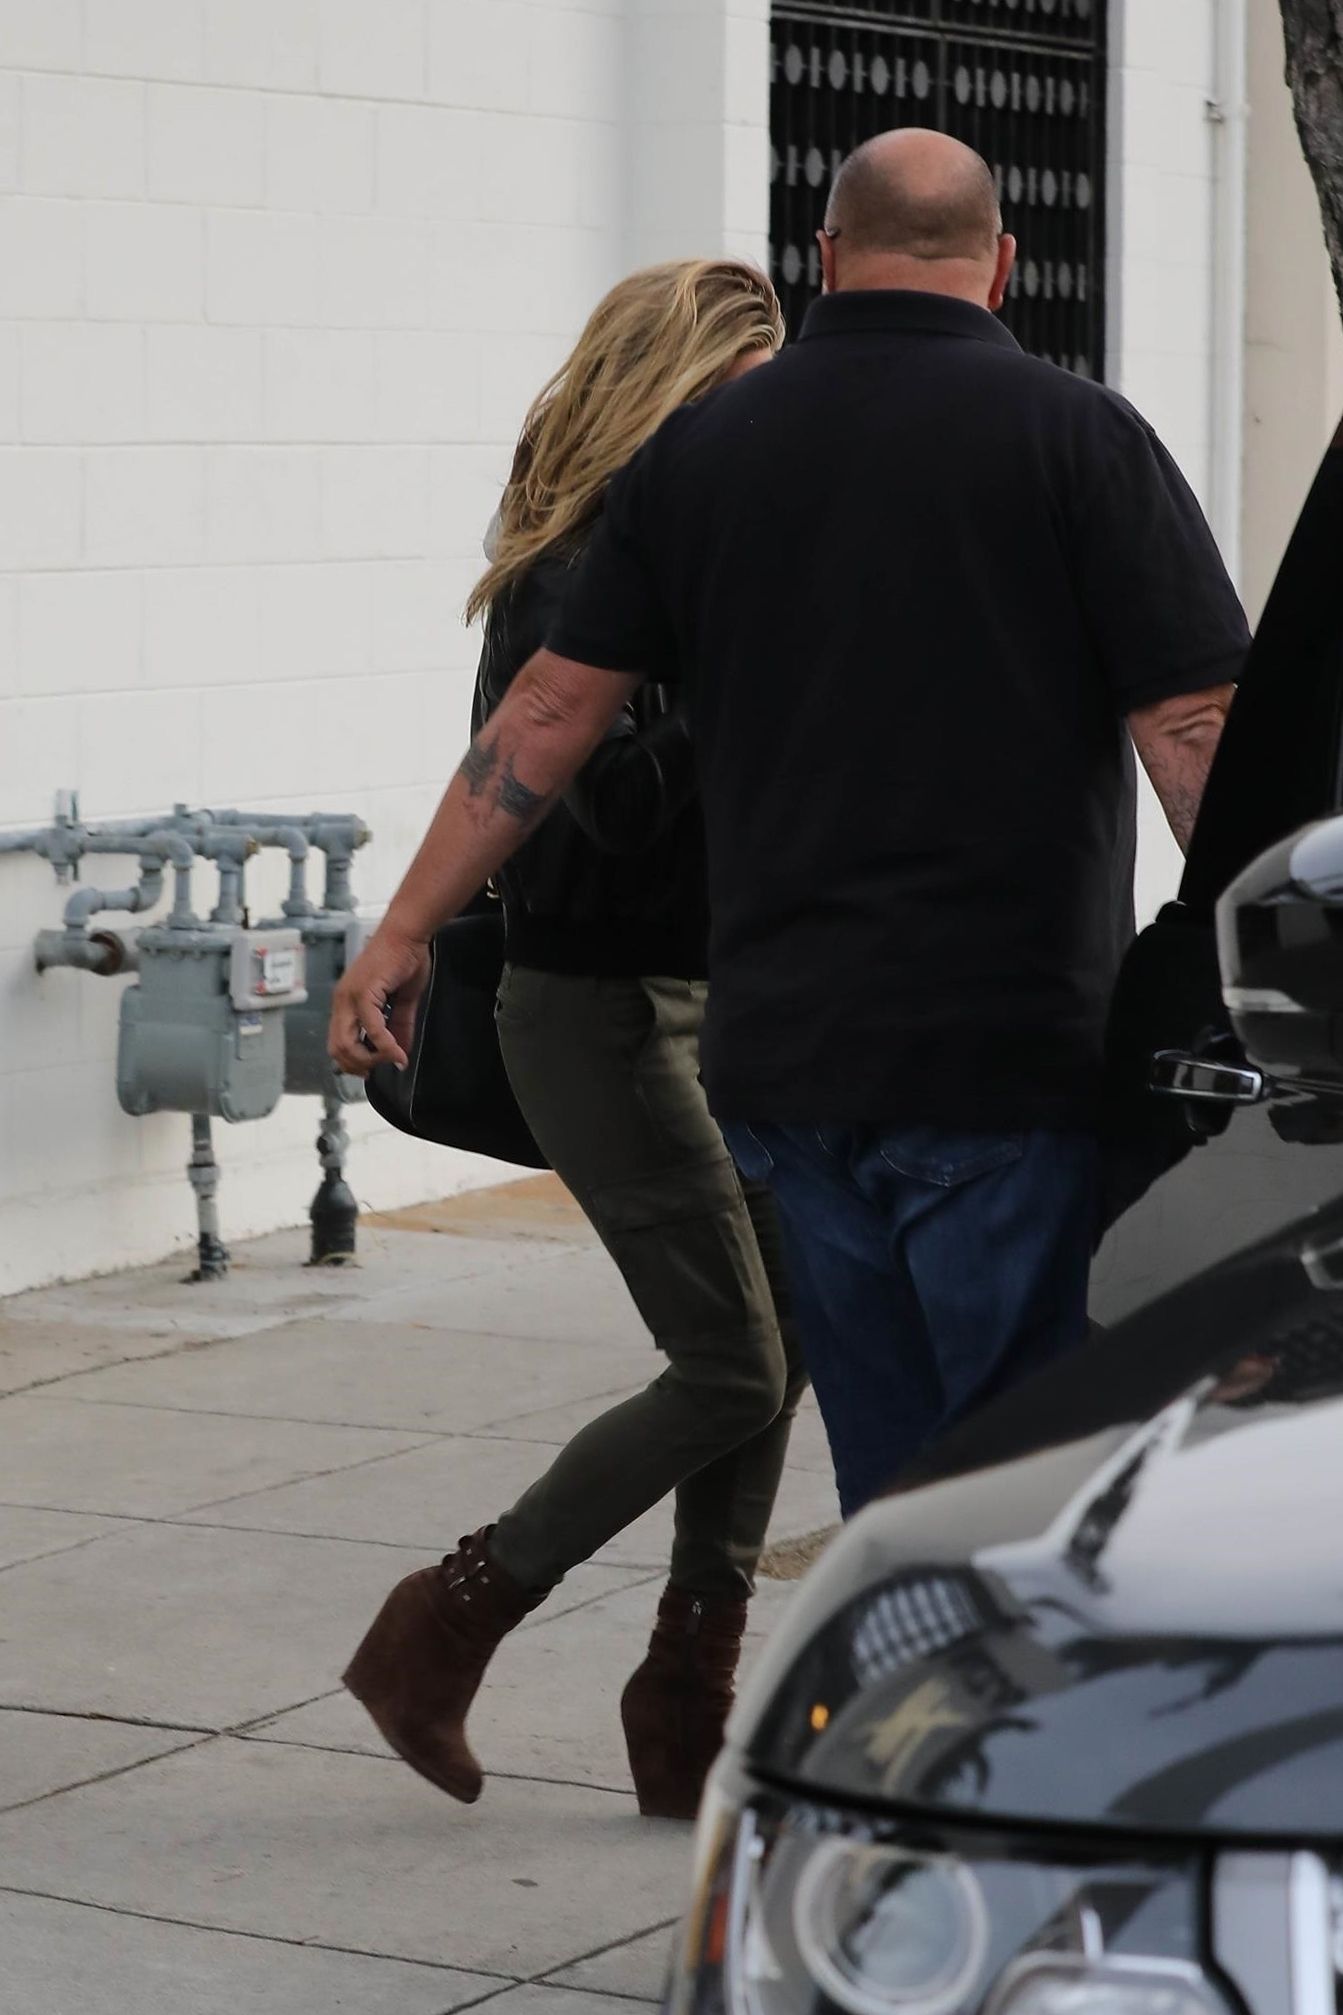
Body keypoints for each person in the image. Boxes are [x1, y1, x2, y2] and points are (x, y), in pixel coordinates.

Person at [331, 131, 1250, 1526]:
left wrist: (403, 929)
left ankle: (883, 1662)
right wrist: (1275, 961)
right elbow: (1189, 733)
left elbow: (547, 713)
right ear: (1005, 264)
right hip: (1000, 1055)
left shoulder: (700, 453)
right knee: (1021, 1479)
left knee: (887, 1477)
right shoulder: (1081, 437)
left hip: (788, 1067)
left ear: (826, 257)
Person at [339, 259, 807, 1820]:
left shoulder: (691, 556)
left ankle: (686, 1696)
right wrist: (745, 660)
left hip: (709, 1006)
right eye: (743, 402)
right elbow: (603, 815)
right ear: (673, 396)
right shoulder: (581, 575)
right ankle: (444, 1623)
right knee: (730, 1363)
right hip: (599, 1013)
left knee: (780, 1340)